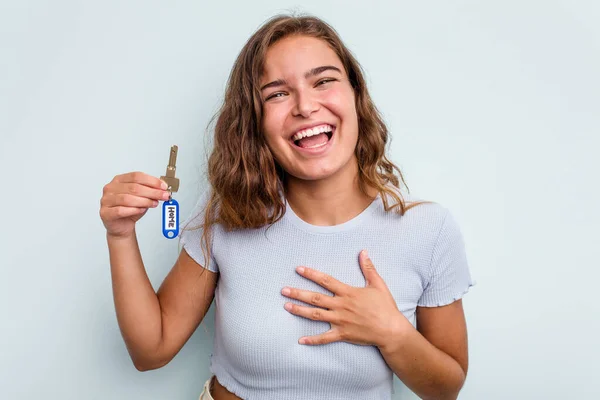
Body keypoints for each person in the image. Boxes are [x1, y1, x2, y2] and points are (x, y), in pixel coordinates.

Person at [100, 13, 475, 400]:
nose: (305, 106)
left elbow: (445, 388)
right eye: (277, 93)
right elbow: (151, 349)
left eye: (324, 80)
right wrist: (120, 234)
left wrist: (390, 331)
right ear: (255, 121)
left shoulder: (428, 229)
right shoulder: (226, 212)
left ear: (356, 95)